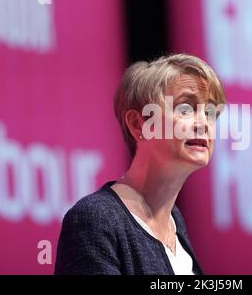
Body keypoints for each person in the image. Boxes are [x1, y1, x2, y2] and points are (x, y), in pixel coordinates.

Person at [54, 53, 226, 275]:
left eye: (210, 112)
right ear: (139, 124)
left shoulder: (175, 223)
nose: (204, 123)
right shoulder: (96, 220)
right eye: (185, 108)